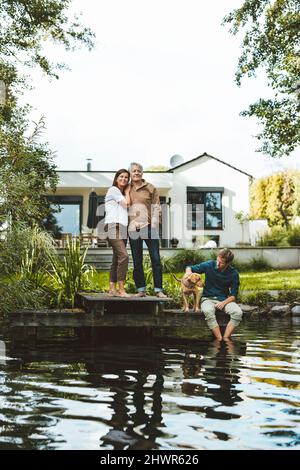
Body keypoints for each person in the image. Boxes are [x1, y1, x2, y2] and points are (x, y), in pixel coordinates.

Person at [127, 162, 167, 298]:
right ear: (130, 173)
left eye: (138, 171)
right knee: (137, 261)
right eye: (134, 171)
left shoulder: (150, 187)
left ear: (142, 173)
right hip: (134, 229)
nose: (136, 173)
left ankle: (158, 290)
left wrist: (155, 224)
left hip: (150, 227)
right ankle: (141, 290)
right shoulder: (127, 188)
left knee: (155, 259)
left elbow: (157, 206)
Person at [185, 248, 242, 340]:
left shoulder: (234, 273)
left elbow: (233, 296)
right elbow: (190, 267)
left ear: (228, 263)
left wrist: (223, 303)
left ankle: (226, 339)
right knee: (208, 311)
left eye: (221, 263)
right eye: (217, 260)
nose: (218, 264)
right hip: (207, 299)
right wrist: (188, 273)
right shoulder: (210, 265)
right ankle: (219, 339)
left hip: (224, 300)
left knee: (238, 313)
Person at [105, 169, 131, 297]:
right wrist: (127, 191)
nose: (124, 179)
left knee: (117, 259)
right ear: (116, 178)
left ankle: (111, 289)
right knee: (124, 256)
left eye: (126, 177)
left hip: (123, 228)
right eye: (121, 176)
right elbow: (127, 204)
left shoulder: (122, 193)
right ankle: (121, 289)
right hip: (112, 226)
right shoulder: (114, 190)